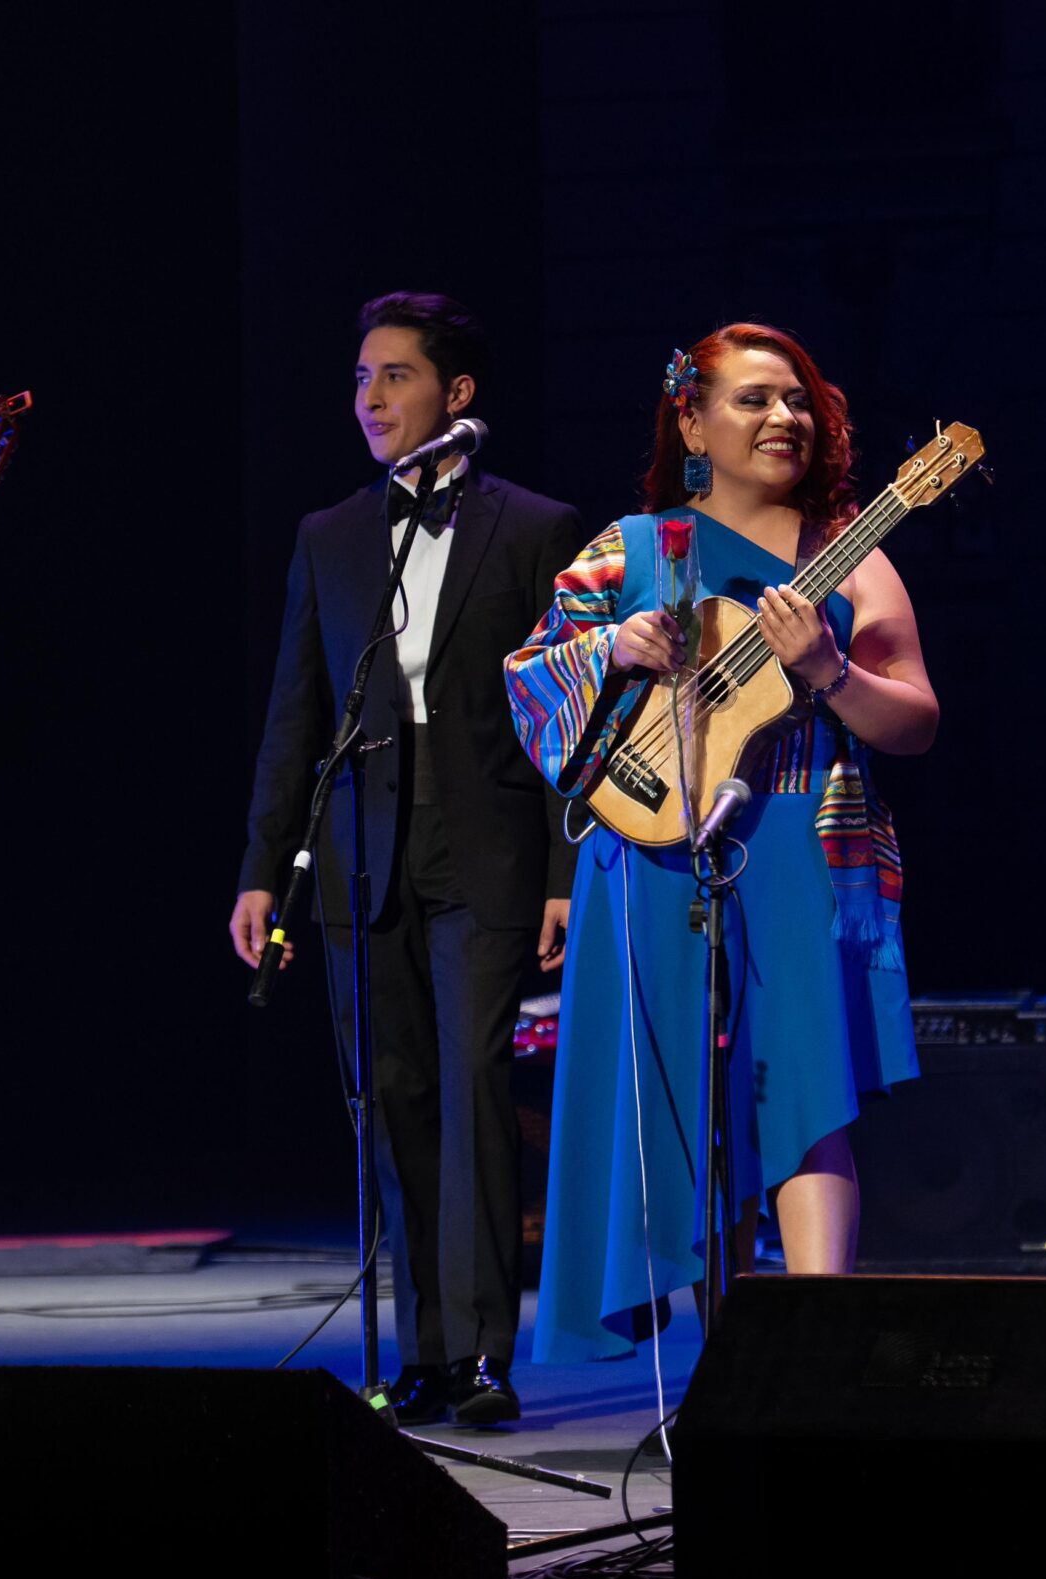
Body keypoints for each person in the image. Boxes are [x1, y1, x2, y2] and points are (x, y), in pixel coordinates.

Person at [503, 323, 937, 1362]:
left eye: (795, 399)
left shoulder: (853, 554)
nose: (782, 417)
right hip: (653, 855)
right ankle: (732, 1370)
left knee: (805, 1100)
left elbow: (915, 722)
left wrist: (831, 671)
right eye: (752, 399)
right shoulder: (631, 548)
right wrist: (617, 644)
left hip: (799, 844)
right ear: (691, 418)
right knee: (681, 1116)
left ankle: (818, 1361)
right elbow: (529, 683)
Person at [232, 291, 583, 1426]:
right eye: (360, 379)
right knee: (392, 1096)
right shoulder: (330, 536)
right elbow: (295, 713)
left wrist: (564, 873)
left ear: (456, 394)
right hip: (358, 842)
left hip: (486, 841)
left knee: (474, 1087)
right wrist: (259, 866)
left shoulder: (532, 527)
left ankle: (482, 1352)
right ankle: (422, 1347)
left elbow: (568, 712)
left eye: (394, 376)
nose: (370, 398)